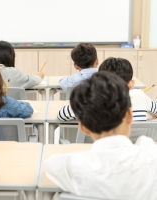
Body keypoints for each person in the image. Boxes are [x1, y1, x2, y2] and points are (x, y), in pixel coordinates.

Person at [46, 71, 157, 200]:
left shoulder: (73, 166)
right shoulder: (150, 154)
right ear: (129, 116)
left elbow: (51, 164)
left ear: (83, 127)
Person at [57, 57, 157, 121]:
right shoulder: (140, 95)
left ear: (100, 82)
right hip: (135, 151)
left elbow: (61, 115)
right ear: (131, 84)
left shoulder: (93, 99)